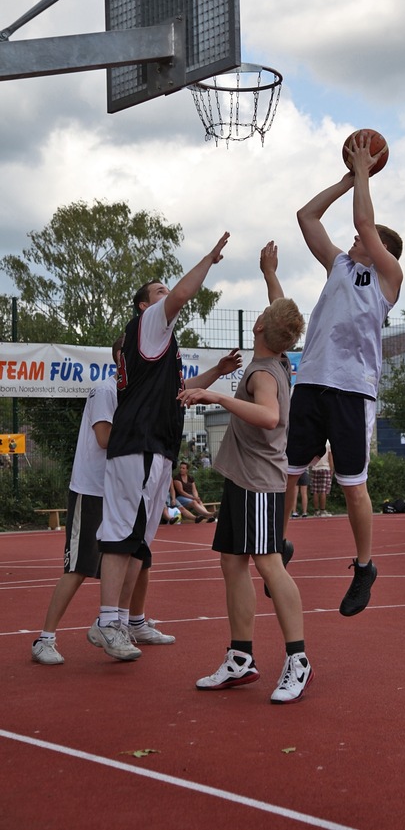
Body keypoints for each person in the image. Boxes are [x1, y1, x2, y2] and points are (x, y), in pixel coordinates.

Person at [89, 234, 241, 662]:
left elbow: (182, 390)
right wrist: (209, 260)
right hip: (136, 445)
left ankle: (122, 620)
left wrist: (218, 370)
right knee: (122, 535)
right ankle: (106, 621)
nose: (166, 296)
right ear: (145, 306)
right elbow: (180, 294)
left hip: (157, 448)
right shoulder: (149, 324)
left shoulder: (162, 347)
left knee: (139, 540)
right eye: (157, 293)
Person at [180, 241, 312, 704]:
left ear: (258, 326)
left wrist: (216, 397)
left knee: (268, 564)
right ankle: (241, 657)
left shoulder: (262, 374)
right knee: (232, 562)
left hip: (259, 482)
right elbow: (280, 316)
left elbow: (270, 417)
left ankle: (298, 659)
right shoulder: (277, 356)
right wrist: (269, 273)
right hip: (244, 480)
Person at [285, 132, 404, 617]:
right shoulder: (337, 265)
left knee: (352, 485)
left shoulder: (387, 280)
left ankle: (364, 566)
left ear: (380, 250)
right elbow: (306, 217)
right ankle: (277, 545)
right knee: (287, 473)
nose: (355, 238)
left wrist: (363, 171)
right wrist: (343, 178)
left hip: (353, 390)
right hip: (312, 380)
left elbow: (362, 219)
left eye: (364, 239)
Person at [31, 337, 175, 665]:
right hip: (94, 489)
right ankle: (45, 638)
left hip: (125, 489)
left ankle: (132, 623)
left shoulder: (137, 395)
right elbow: (104, 438)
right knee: (80, 566)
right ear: (123, 358)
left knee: (140, 560)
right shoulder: (106, 390)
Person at [311, 441, 334, 516]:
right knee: (323, 490)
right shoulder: (328, 444)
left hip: (315, 468)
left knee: (315, 490)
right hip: (325, 468)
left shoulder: (315, 442)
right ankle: (322, 510)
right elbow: (330, 457)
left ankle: (316, 510)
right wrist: (331, 469)